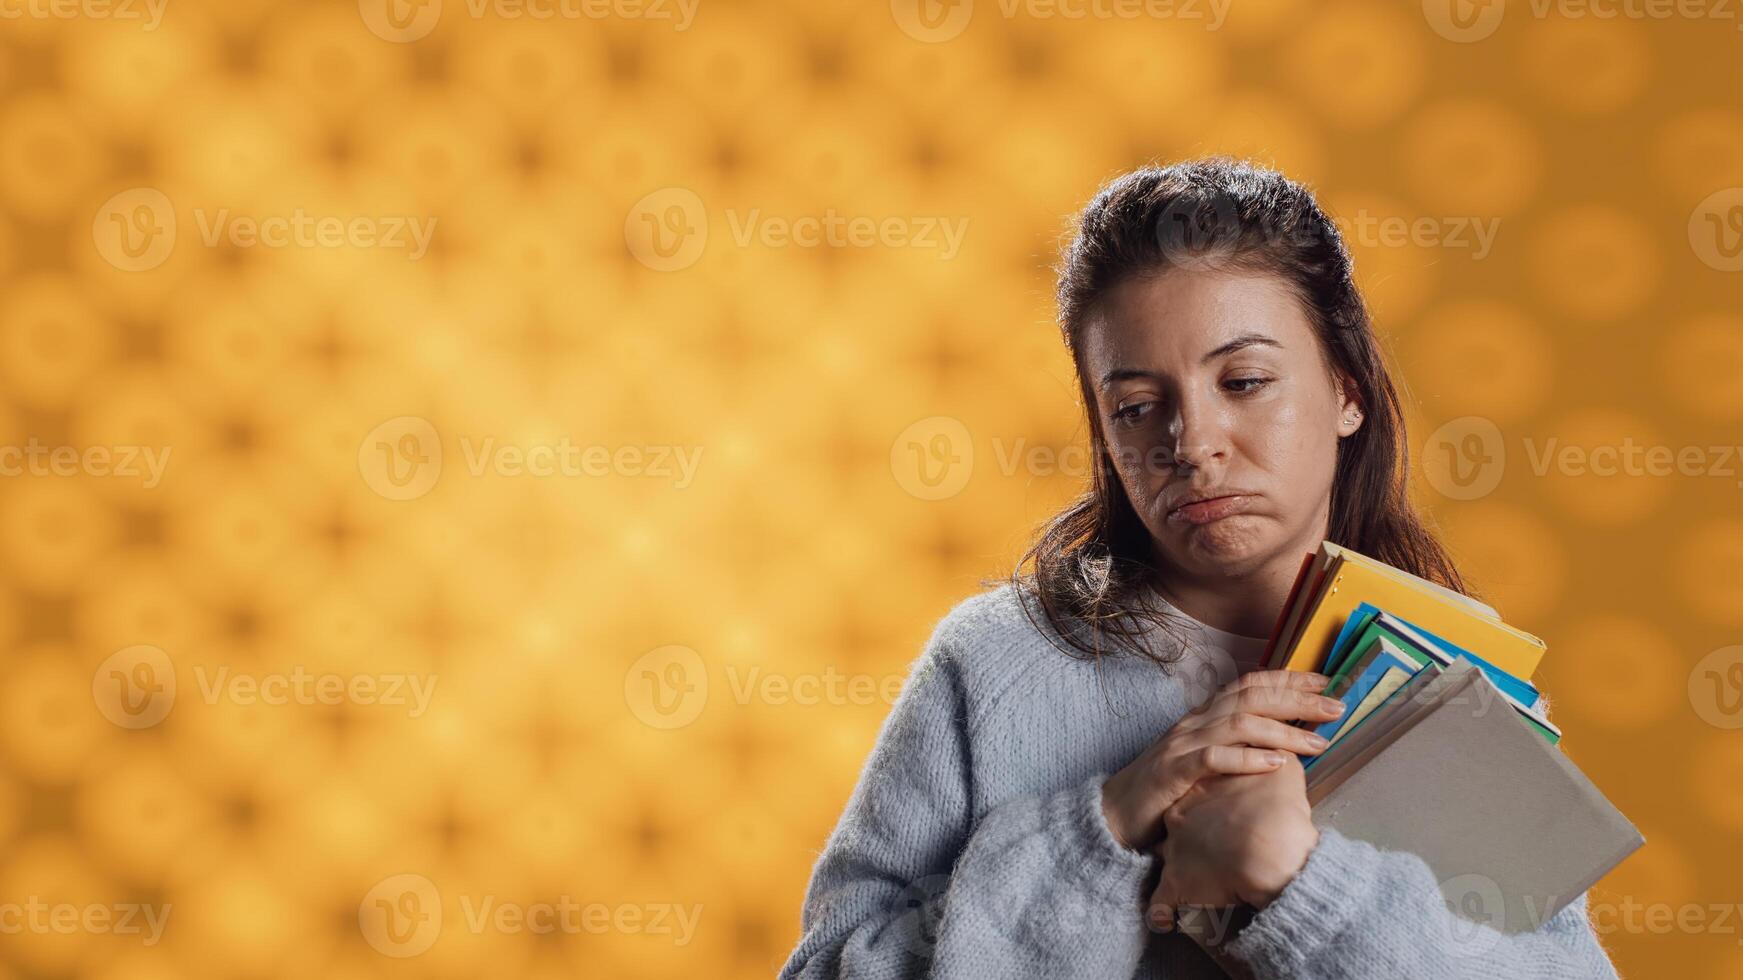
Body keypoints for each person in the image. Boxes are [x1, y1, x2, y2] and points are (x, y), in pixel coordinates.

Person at [778, 158, 1621, 979]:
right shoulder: (994, 664)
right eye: (1136, 407)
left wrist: (1298, 883)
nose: (1191, 444)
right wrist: (1106, 823)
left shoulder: (1456, 677)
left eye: (1245, 380)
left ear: (1346, 392)